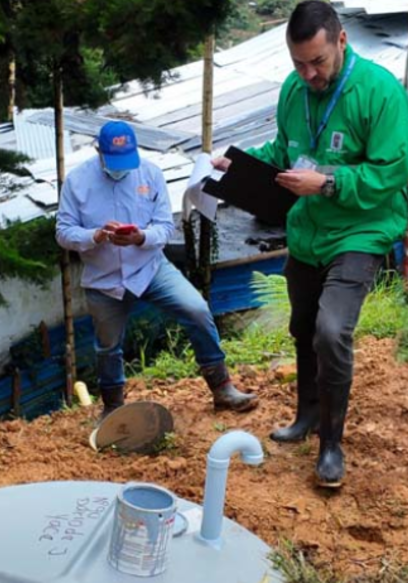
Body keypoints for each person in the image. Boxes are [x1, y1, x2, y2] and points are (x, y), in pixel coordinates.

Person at [213, 0, 408, 488]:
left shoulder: (379, 92)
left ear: (341, 41)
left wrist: (324, 183)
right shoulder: (293, 91)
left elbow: (391, 172)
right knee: (303, 328)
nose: (309, 73)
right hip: (307, 232)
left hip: (360, 231)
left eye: (318, 62)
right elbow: (284, 152)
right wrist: (238, 164)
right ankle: (306, 415)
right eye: (299, 63)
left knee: (330, 330)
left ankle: (331, 442)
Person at [56, 121, 258, 420]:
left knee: (197, 310)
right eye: (113, 161)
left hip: (149, 267)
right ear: (99, 151)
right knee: (107, 346)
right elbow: (63, 232)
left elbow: (164, 227)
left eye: (127, 161)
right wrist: (95, 236)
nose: (121, 168)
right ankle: (113, 408)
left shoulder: (150, 174)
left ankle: (222, 387)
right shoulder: (76, 182)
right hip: (104, 277)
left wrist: (140, 237)